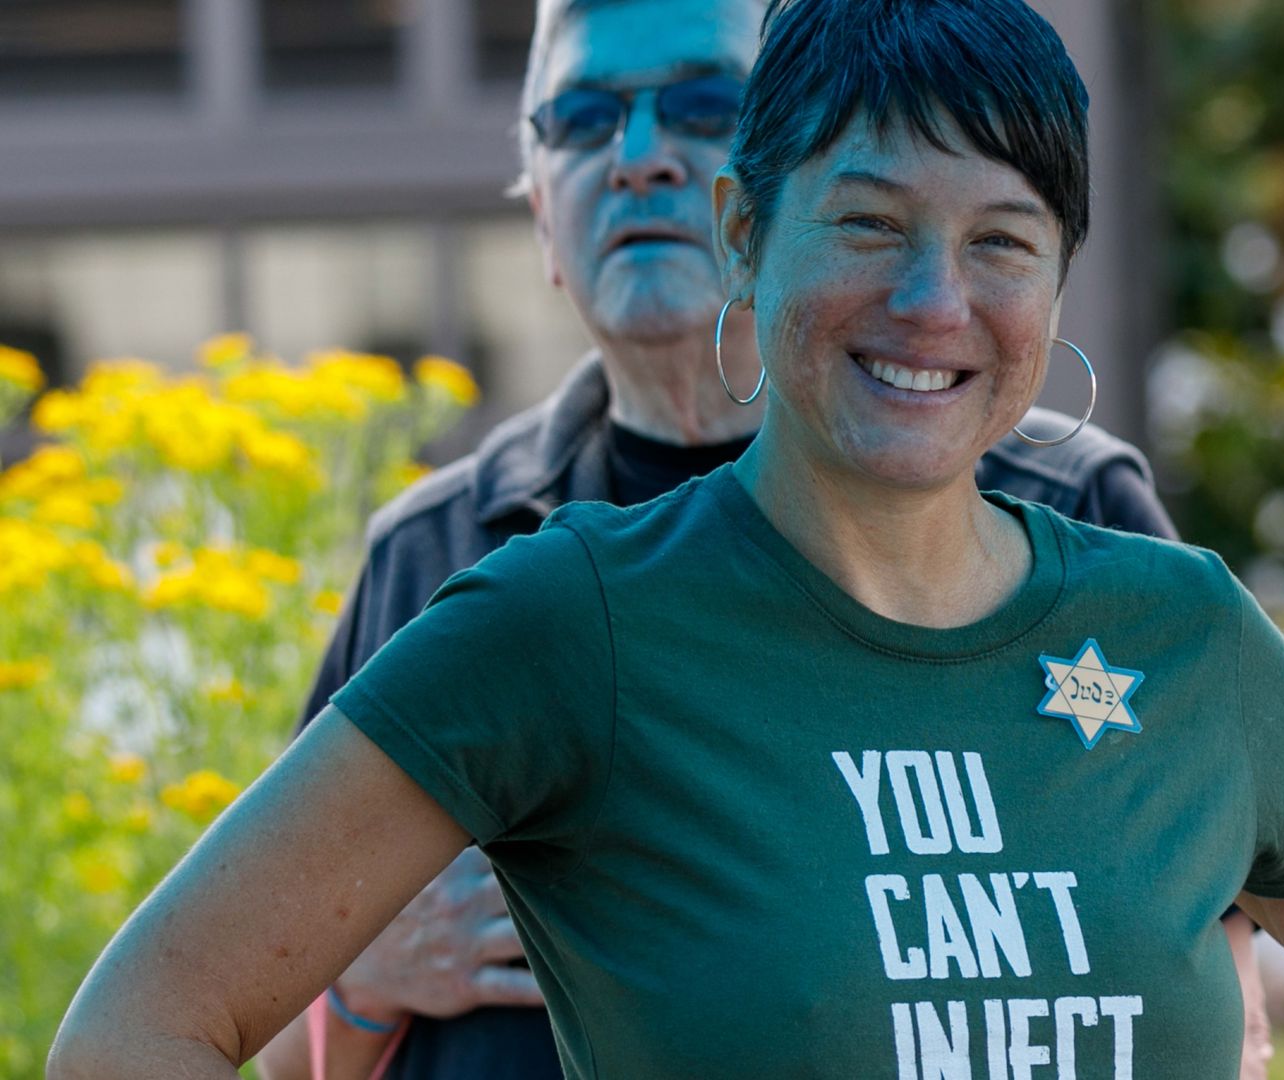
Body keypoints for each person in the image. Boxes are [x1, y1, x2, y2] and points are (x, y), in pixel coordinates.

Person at [49, 0, 1284, 1076]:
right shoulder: (568, 617)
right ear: (747, 232)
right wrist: (365, 998)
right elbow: (142, 1026)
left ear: (1059, 281)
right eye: (867, 225)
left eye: (1001, 241)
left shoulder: (1183, 627)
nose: (934, 300)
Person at [248, 0, 1206, 1075]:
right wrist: (362, 984)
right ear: (536, 212)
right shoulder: (437, 554)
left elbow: (1215, 973)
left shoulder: (1069, 512)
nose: (640, 158)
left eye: (708, 103)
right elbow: (269, 1044)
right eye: (583, 119)